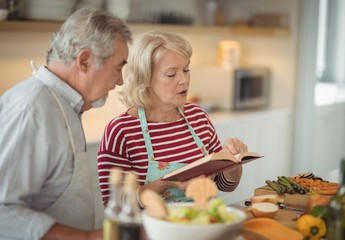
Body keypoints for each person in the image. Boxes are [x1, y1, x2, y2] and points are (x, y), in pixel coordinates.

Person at [0, 7, 132, 240]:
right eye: (118, 68)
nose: (120, 80)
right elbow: (3, 213)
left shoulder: (64, 105)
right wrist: (89, 238)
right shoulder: (31, 110)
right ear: (85, 61)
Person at [97, 31, 248, 205]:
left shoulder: (198, 117)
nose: (184, 80)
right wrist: (165, 183)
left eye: (186, 70)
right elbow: (115, 203)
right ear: (145, 78)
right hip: (151, 231)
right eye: (171, 74)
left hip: (202, 224)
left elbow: (225, 185)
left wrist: (233, 161)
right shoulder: (121, 131)